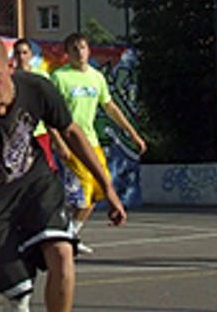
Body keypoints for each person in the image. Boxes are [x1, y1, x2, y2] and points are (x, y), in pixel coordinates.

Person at [0, 33, 126, 312]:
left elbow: (73, 133)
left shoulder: (37, 88)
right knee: (19, 294)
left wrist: (108, 189)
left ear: (10, 67)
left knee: (62, 255)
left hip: (33, 185)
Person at [50, 33, 147, 254]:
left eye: (82, 47)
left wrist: (133, 134)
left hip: (91, 142)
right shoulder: (60, 77)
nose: (79, 52)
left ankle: (70, 234)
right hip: (70, 143)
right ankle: (63, 234)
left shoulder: (96, 77)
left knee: (97, 191)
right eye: (74, 48)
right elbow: (50, 115)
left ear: (88, 50)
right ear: (68, 53)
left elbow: (110, 107)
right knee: (82, 193)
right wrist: (58, 141)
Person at [12, 38, 59, 171]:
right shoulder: (10, 77)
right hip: (19, 133)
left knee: (46, 167)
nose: (21, 57)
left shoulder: (41, 76)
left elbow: (49, 107)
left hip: (40, 132)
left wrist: (56, 138)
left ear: (31, 54)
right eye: (18, 53)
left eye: (25, 53)